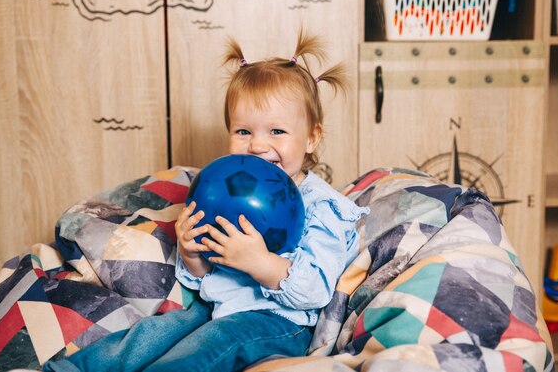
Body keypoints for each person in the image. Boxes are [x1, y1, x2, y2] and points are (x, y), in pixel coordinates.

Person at [37, 30, 369, 372]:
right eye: (243, 132)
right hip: (214, 308)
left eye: (277, 132)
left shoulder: (322, 206)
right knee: (147, 336)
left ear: (311, 137)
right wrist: (192, 252)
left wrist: (259, 262)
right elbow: (203, 274)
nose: (257, 145)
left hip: (278, 323)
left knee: (201, 352)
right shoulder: (223, 190)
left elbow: (314, 291)